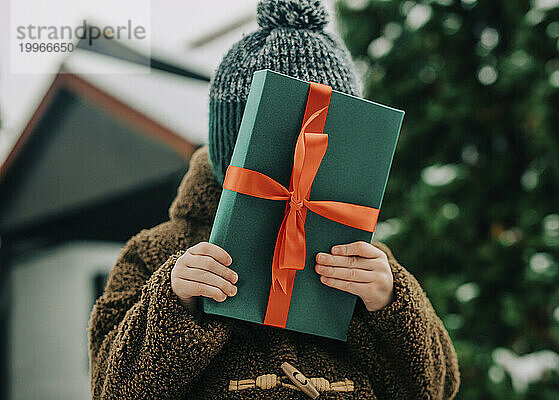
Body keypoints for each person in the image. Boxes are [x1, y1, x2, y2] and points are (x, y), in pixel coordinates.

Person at [88, 0, 460, 398]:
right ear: (236, 140)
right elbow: (114, 389)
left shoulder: (363, 262)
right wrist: (175, 302)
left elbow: (436, 388)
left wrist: (390, 303)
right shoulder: (155, 253)